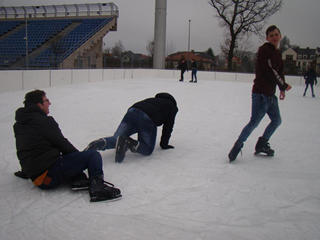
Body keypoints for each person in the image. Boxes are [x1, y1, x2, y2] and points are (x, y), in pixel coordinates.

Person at [13, 90, 121, 202]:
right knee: (93, 155)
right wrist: (82, 157)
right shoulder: (45, 121)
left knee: (66, 158)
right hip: (48, 176)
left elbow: (23, 149)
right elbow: (62, 144)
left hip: (36, 177)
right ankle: (97, 188)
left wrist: (26, 171)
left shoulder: (18, 124)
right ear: (39, 105)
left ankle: (78, 179)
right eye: (46, 100)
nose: (49, 103)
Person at [228, 25, 292, 162]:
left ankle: (262, 144)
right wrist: (283, 85)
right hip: (261, 94)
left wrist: (281, 88)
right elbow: (270, 71)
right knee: (254, 122)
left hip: (270, 94)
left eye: (276, 34)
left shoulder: (277, 53)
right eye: (271, 35)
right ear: (267, 38)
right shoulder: (264, 51)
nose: (274, 37)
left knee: (276, 120)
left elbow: (279, 71)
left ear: (280, 36)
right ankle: (237, 146)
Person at [84, 92, 178, 163]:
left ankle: (99, 143)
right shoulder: (172, 106)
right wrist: (164, 144)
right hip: (148, 117)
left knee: (116, 139)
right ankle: (128, 142)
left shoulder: (153, 100)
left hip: (132, 112)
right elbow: (168, 126)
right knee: (147, 149)